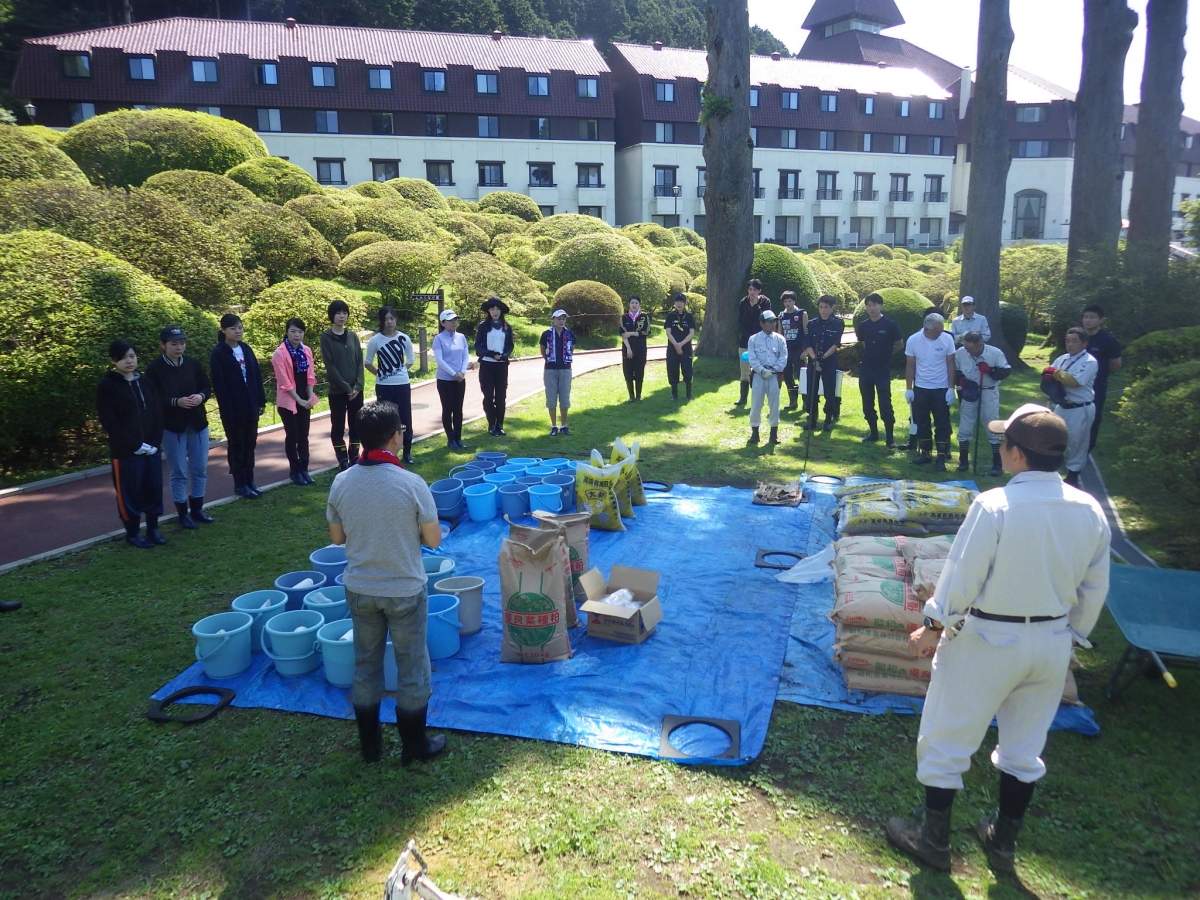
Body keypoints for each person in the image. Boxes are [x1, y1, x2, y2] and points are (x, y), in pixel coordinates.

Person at [886, 403, 1110, 874]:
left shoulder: (995, 505)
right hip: (1050, 639)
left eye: (1004, 441)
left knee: (948, 736)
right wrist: (1074, 638)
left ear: (1016, 453)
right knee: (1025, 747)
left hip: (988, 638)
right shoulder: (1089, 508)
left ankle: (934, 840)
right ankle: (1003, 843)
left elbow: (962, 576)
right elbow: (1095, 587)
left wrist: (933, 626)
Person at [327, 401, 446, 765]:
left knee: (365, 664)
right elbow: (433, 540)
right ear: (396, 437)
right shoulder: (411, 483)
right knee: (412, 664)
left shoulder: (342, 481)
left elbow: (337, 538)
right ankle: (414, 746)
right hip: (404, 589)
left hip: (360, 589)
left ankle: (371, 748)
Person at [95, 339, 166, 549]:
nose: (129, 361)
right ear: (113, 360)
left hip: (150, 449)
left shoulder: (145, 382)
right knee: (129, 493)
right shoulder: (107, 386)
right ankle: (133, 532)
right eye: (124, 357)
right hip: (125, 452)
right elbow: (110, 421)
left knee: (153, 489)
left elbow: (156, 414)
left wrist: (154, 442)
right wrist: (135, 444)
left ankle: (153, 528)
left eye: (132, 356)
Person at [145, 325, 213, 529]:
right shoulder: (155, 368)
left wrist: (200, 397)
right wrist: (175, 401)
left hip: (198, 423)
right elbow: (153, 397)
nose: (179, 347)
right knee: (179, 472)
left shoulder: (192, 364)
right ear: (163, 345)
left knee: (199, 468)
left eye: (182, 343)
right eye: (174, 344)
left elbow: (206, 386)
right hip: (172, 426)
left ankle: (198, 509)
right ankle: (183, 514)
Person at [209, 314, 266, 499]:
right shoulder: (219, 353)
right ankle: (240, 483)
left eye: (240, 327)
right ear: (223, 330)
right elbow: (220, 385)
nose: (238, 331)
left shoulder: (246, 349)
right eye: (233, 328)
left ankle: (250, 480)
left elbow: (256, 376)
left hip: (250, 406)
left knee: (250, 444)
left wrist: (261, 401)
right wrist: (228, 409)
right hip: (233, 409)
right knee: (237, 445)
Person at [1046, 327, 1098, 488]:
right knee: (1054, 437)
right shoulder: (1062, 358)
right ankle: (1051, 469)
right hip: (1062, 404)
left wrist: (1055, 373)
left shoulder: (1090, 361)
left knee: (1077, 441)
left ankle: (1073, 475)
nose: (1070, 344)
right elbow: (1048, 373)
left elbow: (1074, 382)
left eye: (1075, 341)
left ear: (1084, 343)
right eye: (1068, 341)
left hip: (1080, 407)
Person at [905, 312, 958, 470]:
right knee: (922, 422)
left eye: (941, 329)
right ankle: (926, 453)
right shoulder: (914, 340)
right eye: (937, 331)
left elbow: (950, 364)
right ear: (927, 329)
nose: (940, 333)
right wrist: (909, 388)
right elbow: (910, 365)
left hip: (941, 388)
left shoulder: (947, 339)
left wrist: (951, 388)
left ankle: (941, 456)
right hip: (921, 388)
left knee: (942, 423)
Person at [954, 331, 1011, 476]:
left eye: (970, 349)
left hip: (988, 391)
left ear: (980, 345)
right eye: (965, 348)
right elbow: (956, 370)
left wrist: (990, 370)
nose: (967, 351)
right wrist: (961, 380)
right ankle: (963, 461)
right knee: (965, 423)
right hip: (970, 391)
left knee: (991, 424)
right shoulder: (961, 353)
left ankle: (997, 463)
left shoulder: (995, 353)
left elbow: (1005, 371)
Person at [364, 306, 415, 465]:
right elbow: (368, 363)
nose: (389, 322)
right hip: (384, 386)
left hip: (402, 384)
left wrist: (399, 371)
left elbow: (411, 360)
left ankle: (407, 451)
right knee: (386, 419)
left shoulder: (404, 338)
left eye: (392, 318)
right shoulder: (375, 340)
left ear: (396, 319)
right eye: (386, 319)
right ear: (381, 321)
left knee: (405, 418)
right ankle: (387, 452)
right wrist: (381, 374)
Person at [272, 317, 319, 485]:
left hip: (304, 399)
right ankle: (295, 470)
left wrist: (309, 397)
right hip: (289, 401)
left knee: (304, 436)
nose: (297, 335)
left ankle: (304, 469)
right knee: (293, 436)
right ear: (286, 332)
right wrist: (299, 400)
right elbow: (284, 382)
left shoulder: (306, 350)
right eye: (293, 331)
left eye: (300, 331)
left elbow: (310, 376)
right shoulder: (280, 353)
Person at [320, 299, 364, 471]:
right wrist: (346, 388)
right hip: (338, 391)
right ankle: (342, 458)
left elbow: (359, 362)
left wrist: (358, 386)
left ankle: (354, 455)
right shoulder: (326, 337)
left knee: (356, 424)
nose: (341, 316)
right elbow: (330, 366)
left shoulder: (352, 336)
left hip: (356, 391)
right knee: (338, 425)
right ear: (332, 315)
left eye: (344, 313)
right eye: (338, 313)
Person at [855, 292, 904, 446]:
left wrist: (886, 354)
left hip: (882, 370)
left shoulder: (890, 325)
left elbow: (899, 344)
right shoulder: (863, 325)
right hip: (866, 369)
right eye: (869, 305)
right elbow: (863, 343)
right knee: (867, 403)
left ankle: (890, 438)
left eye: (875, 305)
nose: (872, 308)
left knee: (885, 403)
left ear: (881, 306)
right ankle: (873, 433)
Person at [1082, 304, 1122, 453]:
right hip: (1075, 385)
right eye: (1085, 317)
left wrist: (1100, 374)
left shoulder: (1108, 340)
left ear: (1101, 320)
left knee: (1093, 418)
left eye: (1092, 317)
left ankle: (1087, 449)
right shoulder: (1079, 338)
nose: (1088, 321)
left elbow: (1115, 364)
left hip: (1096, 386)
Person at [746, 309, 789, 445]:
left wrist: (775, 370)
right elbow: (752, 359)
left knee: (774, 405)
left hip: (774, 376)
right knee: (756, 404)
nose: (772, 324)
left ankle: (773, 434)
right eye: (769, 322)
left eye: (774, 322)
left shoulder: (780, 339)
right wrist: (762, 371)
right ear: (762, 323)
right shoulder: (753, 339)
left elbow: (783, 358)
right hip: (759, 375)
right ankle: (755, 432)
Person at [804, 295, 845, 432]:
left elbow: (836, 343)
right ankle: (812, 418)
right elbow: (807, 342)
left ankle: (828, 418)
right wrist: (815, 358)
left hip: (829, 361)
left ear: (832, 308)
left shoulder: (838, 323)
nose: (823, 310)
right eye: (821, 307)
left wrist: (823, 357)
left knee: (829, 391)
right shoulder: (811, 323)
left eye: (826, 307)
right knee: (811, 391)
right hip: (813, 360)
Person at [475, 296, 514, 436]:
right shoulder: (483, 326)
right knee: (488, 395)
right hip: (487, 365)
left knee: (501, 396)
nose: (495, 311)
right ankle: (491, 423)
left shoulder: (507, 327)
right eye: (492, 309)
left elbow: (510, 345)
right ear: (488, 311)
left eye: (497, 309)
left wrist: (504, 355)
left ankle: (500, 424)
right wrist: (490, 354)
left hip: (501, 366)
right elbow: (477, 347)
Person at [432, 309, 470, 451]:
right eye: (450, 320)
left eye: (455, 320)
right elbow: (439, 359)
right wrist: (454, 373)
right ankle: (451, 439)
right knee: (447, 408)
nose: (454, 322)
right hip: (445, 379)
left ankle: (459, 438)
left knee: (458, 409)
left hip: (460, 378)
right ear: (443, 323)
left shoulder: (461, 337)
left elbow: (465, 356)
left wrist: (462, 372)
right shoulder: (439, 338)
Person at [736, 279, 772, 407]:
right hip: (745, 341)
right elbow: (740, 322)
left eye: (755, 290)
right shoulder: (743, 302)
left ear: (759, 291)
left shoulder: (765, 302)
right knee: (744, 370)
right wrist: (749, 336)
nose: (752, 292)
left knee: (758, 370)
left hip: (760, 341)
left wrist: (756, 305)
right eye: (750, 289)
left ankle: (759, 398)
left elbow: (765, 320)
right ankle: (743, 398)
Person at [540, 308, 575, 436]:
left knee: (565, 398)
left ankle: (564, 425)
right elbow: (543, 350)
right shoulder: (546, 334)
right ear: (553, 320)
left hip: (565, 369)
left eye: (563, 318)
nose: (561, 321)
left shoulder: (570, 334)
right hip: (550, 369)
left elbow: (572, 349)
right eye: (559, 318)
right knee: (551, 398)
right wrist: (550, 360)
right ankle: (554, 425)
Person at [778, 291, 808, 411]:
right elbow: (779, 334)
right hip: (786, 350)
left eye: (789, 301)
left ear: (794, 301)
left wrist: (806, 350)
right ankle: (793, 401)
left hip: (799, 349)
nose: (787, 304)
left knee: (802, 376)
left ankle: (806, 402)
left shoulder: (802, 313)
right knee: (788, 375)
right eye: (785, 301)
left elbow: (807, 332)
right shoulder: (781, 315)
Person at [664, 293, 696, 401]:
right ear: (674, 303)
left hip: (686, 348)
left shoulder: (689, 317)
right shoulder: (670, 316)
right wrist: (676, 345)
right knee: (672, 370)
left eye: (681, 301)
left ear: (684, 303)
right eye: (677, 301)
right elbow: (668, 332)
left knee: (687, 371)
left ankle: (688, 395)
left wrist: (681, 344)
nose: (679, 304)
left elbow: (691, 333)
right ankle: (674, 395)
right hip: (672, 348)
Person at [620, 296, 651, 402]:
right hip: (627, 349)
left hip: (640, 349)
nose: (634, 305)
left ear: (639, 304)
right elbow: (623, 334)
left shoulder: (644, 317)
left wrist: (632, 333)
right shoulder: (624, 317)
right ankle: (631, 396)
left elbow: (646, 331)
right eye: (632, 302)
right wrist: (628, 348)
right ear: (629, 304)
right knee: (628, 372)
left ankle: (638, 396)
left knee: (639, 372)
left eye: (636, 303)